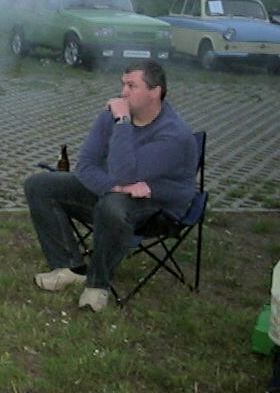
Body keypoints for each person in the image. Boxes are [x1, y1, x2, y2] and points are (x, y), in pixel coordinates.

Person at [24, 60, 198, 313]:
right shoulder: (111, 116)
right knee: (40, 185)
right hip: (116, 193)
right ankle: (71, 268)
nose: (123, 92)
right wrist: (113, 187)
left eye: (132, 86)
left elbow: (125, 174)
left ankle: (97, 285)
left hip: (160, 208)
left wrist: (123, 122)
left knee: (112, 207)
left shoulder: (173, 134)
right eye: (123, 84)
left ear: (155, 92)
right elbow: (86, 165)